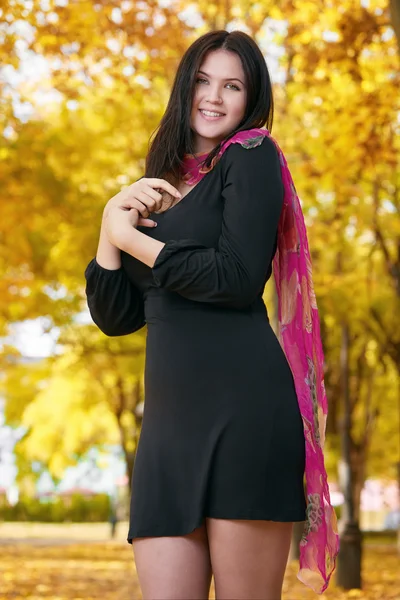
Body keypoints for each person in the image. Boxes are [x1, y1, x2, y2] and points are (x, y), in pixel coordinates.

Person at [84, 30, 339, 600]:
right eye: (203, 80)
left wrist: (137, 241)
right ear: (184, 87)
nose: (214, 97)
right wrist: (110, 228)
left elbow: (234, 277)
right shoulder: (165, 181)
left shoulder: (253, 156)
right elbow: (117, 315)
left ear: (252, 99)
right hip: (169, 432)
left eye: (232, 85)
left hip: (244, 415)